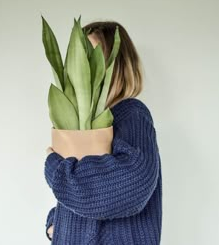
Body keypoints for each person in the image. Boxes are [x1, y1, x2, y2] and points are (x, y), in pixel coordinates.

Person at [44, 20, 162, 244]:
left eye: (91, 57)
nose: (82, 68)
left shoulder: (130, 114)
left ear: (115, 66)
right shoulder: (85, 125)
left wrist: (56, 169)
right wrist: (56, 224)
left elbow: (131, 186)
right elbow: (85, 194)